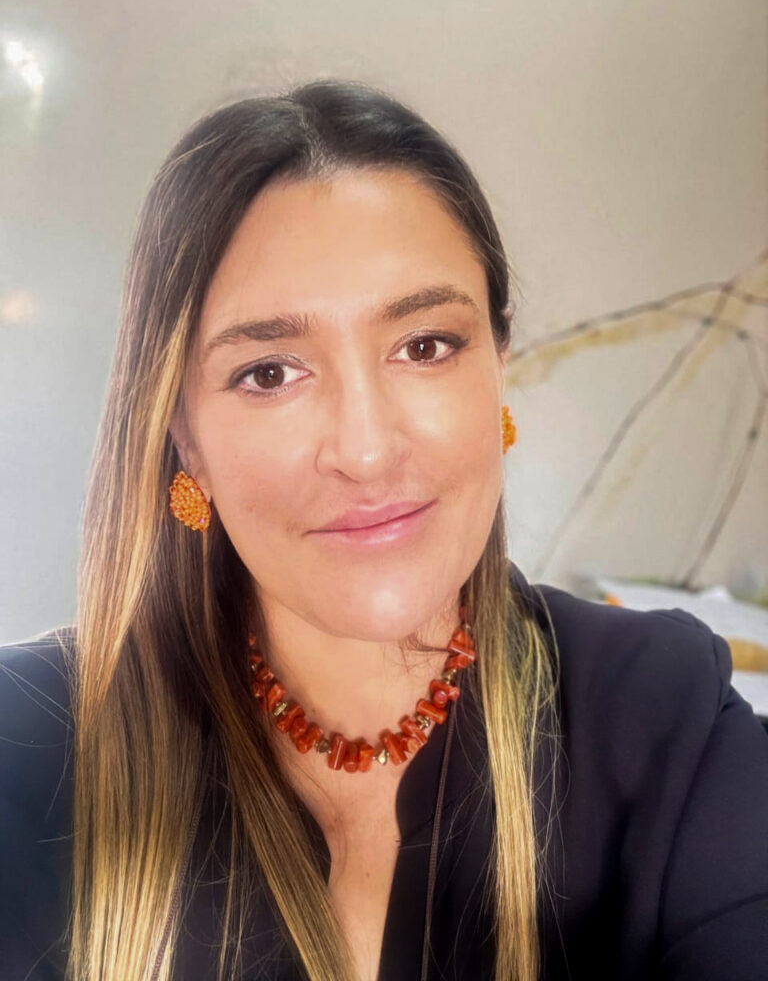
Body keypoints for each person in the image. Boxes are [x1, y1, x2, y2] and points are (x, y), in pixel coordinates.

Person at [1, 78, 766, 981]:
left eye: (425, 346)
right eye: (269, 372)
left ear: (498, 365)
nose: (366, 452)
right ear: (185, 439)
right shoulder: (29, 747)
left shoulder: (667, 721)